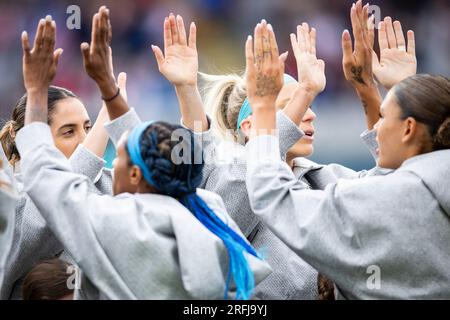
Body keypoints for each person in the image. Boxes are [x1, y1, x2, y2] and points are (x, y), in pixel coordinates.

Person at [14, 7, 271, 300]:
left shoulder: (111, 220)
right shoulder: (207, 208)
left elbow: (47, 178)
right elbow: (147, 147)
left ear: (135, 173)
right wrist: (110, 90)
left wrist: (36, 91)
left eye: (120, 157)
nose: (112, 163)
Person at [243, 12, 450, 299]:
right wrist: (375, 89)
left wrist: (264, 106)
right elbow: (392, 180)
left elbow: (274, 196)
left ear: (409, 128)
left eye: (385, 116)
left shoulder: (376, 200)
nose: (376, 126)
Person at [0, 17, 128, 300]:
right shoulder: (11, 202)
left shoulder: (104, 185)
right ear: (36, 142)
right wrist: (106, 117)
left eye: (88, 126)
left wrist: (116, 106)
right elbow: (46, 215)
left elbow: (164, 188)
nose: (86, 140)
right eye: (68, 132)